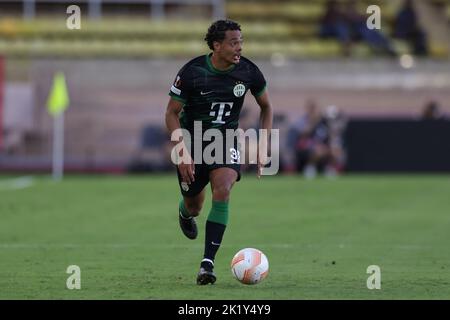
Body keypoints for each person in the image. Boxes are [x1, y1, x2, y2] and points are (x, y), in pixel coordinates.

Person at [165, 20, 273, 285]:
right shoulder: (192, 72)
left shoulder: (248, 72)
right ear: (217, 45)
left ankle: (207, 264)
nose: (239, 48)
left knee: (223, 188)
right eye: (233, 42)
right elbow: (171, 113)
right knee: (195, 204)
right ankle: (184, 211)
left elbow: (266, 107)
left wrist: (264, 144)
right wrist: (182, 151)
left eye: (241, 42)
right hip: (192, 140)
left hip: (224, 140)